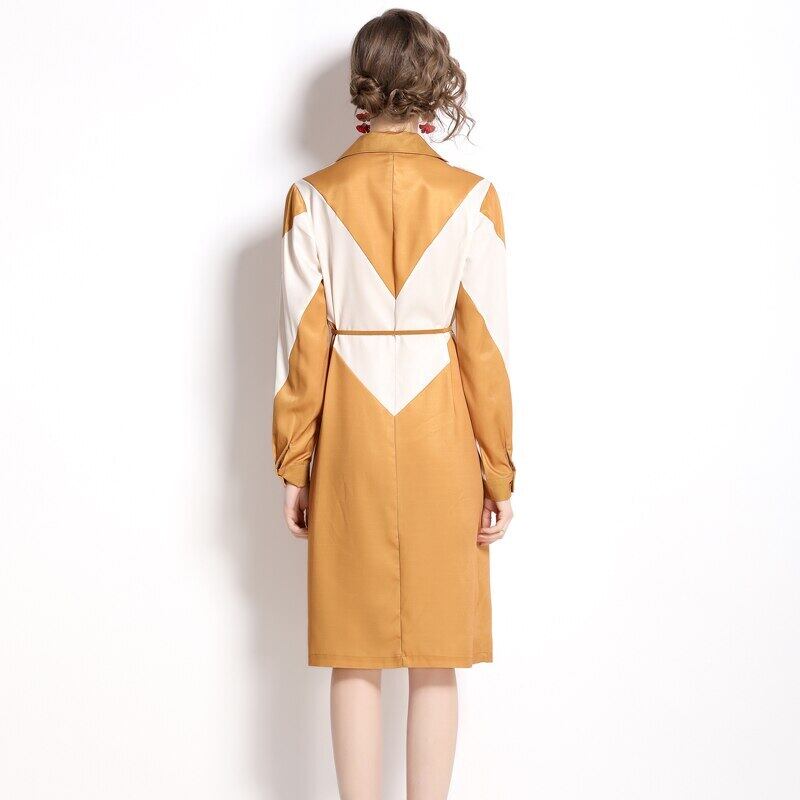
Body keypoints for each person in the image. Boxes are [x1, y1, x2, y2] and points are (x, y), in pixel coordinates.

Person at [272, 9, 515, 799]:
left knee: (354, 651)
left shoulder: (312, 197)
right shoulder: (473, 198)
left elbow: (302, 345)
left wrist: (294, 463)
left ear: (362, 89)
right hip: (442, 438)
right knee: (437, 653)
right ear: (434, 89)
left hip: (352, 437)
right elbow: (485, 349)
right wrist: (499, 470)